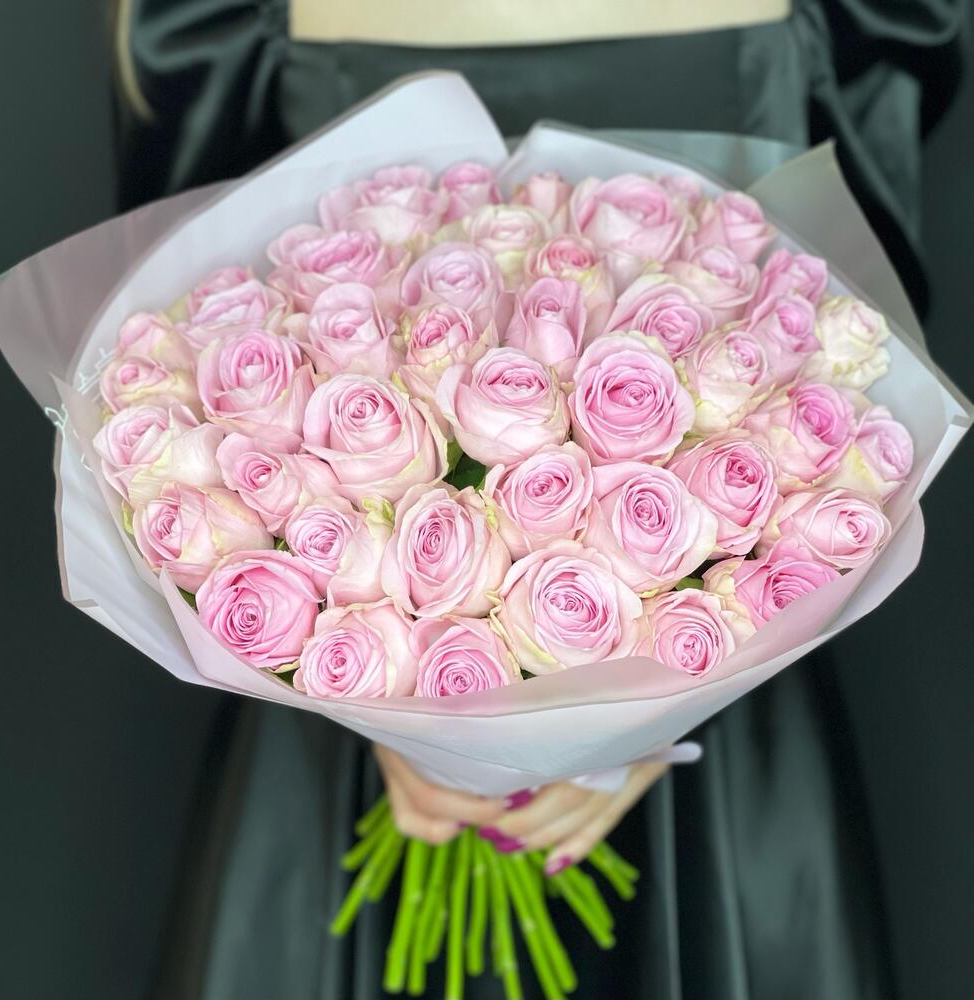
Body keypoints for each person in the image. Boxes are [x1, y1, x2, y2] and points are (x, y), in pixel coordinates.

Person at [116, 1, 965, 997]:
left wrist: (656, 701)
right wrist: (388, 696)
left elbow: (859, 315)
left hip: (730, 692)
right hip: (335, 698)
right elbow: (186, 304)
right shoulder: (208, 17)